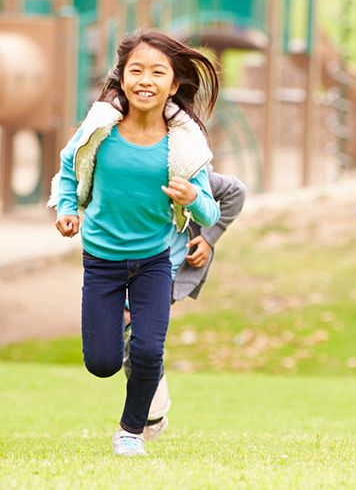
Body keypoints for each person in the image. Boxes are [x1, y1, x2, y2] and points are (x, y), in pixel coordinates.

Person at [50, 29, 221, 456]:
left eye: (157, 72)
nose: (146, 79)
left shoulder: (183, 145)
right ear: (122, 78)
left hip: (154, 261)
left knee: (148, 350)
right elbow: (71, 169)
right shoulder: (100, 129)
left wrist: (193, 198)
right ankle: (128, 354)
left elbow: (212, 214)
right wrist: (67, 209)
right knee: (103, 362)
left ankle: (131, 431)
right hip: (102, 260)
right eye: (136, 70)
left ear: (174, 83)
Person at [123, 168, 247, 441]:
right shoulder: (124, 167)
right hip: (123, 263)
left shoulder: (185, 170)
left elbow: (235, 192)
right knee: (122, 347)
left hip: (166, 269)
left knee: (141, 341)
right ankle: (153, 409)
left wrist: (208, 238)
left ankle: (149, 416)